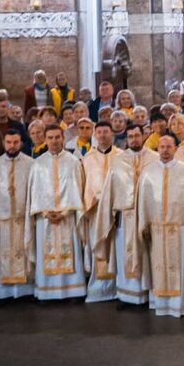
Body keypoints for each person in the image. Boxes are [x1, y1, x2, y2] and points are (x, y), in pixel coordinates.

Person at [136, 135, 184, 317]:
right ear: (157, 148)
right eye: (162, 147)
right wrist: (145, 223)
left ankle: (181, 306)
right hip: (156, 229)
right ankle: (161, 305)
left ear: (175, 148)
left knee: (181, 268)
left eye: (169, 147)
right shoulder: (148, 172)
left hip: (179, 228)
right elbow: (144, 201)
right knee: (158, 267)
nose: (165, 150)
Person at [93, 124, 155, 306]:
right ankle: (126, 295)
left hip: (146, 217)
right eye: (130, 136)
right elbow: (109, 191)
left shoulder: (154, 158)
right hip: (124, 217)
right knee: (123, 254)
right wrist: (108, 215)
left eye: (137, 135)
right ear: (126, 138)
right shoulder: (118, 161)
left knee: (146, 256)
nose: (134, 139)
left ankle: (145, 294)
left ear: (143, 136)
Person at [26, 125, 87, 300]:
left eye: (57, 137)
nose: (54, 141)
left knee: (71, 252)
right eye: (50, 137)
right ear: (45, 139)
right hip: (44, 218)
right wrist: (45, 212)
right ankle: (47, 291)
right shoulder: (38, 164)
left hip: (67, 217)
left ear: (63, 138)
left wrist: (65, 211)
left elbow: (78, 188)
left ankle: (73, 290)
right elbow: (35, 192)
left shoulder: (73, 161)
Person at [0, 131, 35, 299]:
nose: (12, 145)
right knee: (4, 256)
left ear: (21, 143)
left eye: (15, 142)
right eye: (9, 142)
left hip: (23, 219)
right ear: (4, 143)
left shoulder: (30, 164)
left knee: (24, 252)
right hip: (3, 220)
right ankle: (5, 292)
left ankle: (26, 291)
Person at [80, 123, 118, 303]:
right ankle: (100, 289)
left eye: (106, 132)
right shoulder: (87, 158)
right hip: (95, 212)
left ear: (112, 134)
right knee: (99, 248)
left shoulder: (120, 156)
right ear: (95, 135)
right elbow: (84, 184)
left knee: (116, 249)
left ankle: (118, 287)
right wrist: (91, 203)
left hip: (116, 213)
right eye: (100, 132)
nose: (103, 135)